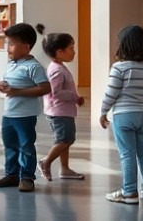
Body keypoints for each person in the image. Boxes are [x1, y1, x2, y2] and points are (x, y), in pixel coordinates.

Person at [100, 25, 143, 204]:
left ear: (123, 45)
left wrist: (103, 112)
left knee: (127, 154)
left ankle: (129, 192)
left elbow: (110, 93)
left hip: (123, 115)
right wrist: (142, 101)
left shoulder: (119, 68)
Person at [0, 23, 50, 193]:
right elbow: (8, 83)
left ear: (26, 46)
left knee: (26, 146)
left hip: (25, 115)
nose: (7, 48)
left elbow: (45, 88)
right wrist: (2, 85)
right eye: (6, 43)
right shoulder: (11, 64)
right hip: (9, 114)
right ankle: (11, 174)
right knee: (10, 144)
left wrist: (18, 91)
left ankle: (27, 177)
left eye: (10, 44)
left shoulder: (34, 67)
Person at [36, 24, 84, 181]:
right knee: (66, 139)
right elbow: (55, 93)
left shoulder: (58, 66)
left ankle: (65, 169)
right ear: (59, 52)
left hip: (63, 110)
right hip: (59, 111)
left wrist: (75, 98)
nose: (74, 52)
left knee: (65, 140)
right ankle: (46, 161)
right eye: (71, 48)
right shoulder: (56, 70)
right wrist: (73, 96)